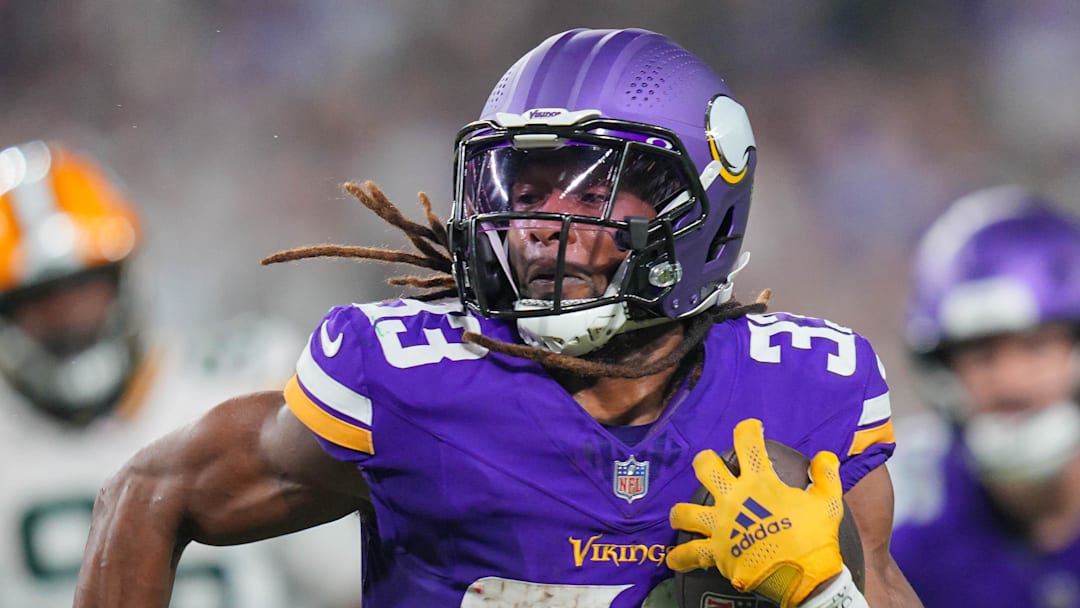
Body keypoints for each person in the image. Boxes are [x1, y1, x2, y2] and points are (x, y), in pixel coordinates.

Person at [75, 28, 921, 608]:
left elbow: (877, 587)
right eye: (526, 186)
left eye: (592, 189)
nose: (542, 223)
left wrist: (828, 595)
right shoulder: (408, 381)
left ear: (702, 204)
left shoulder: (806, 391)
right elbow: (148, 493)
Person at [0, 140, 363, 608]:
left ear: (125, 280)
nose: (69, 320)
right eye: (40, 303)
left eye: (83, 291)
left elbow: (346, 580)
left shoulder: (237, 379)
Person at [891, 186, 1080, 606]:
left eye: (1035, 346)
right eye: (982, 354)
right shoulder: (895, 519)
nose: (1011, 383)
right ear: (943, 368)